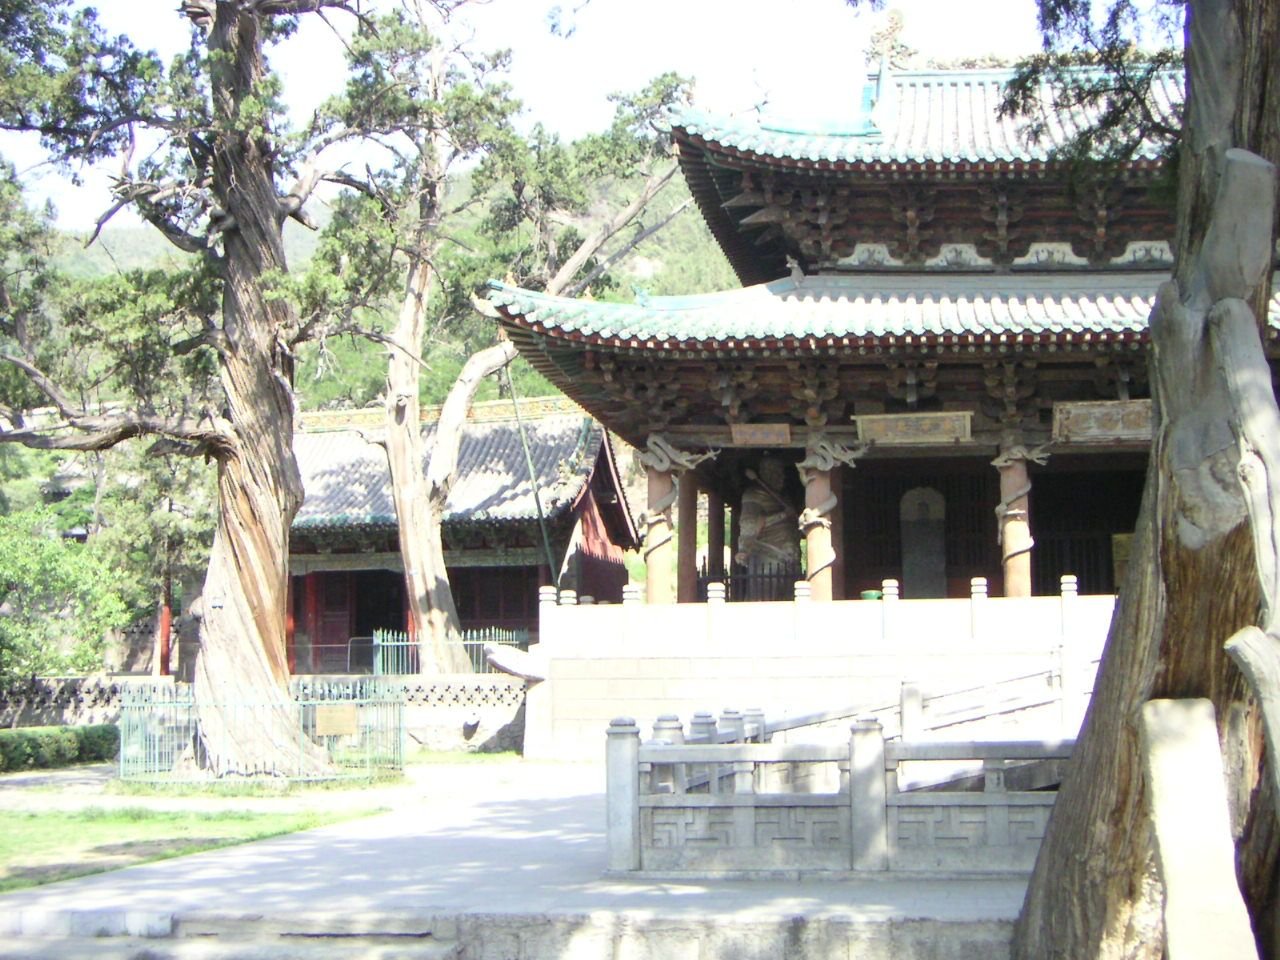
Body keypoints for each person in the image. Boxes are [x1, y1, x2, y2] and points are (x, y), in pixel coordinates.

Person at [735, 456, 799, 599]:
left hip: (790, 558)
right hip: (767, 554)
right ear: (765, 473)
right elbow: (749, 525)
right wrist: (783, 515)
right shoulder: (754, 495)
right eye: (776, 472)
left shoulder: (783, 498)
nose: (781, 477)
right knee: (764, 603)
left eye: (781, 473)